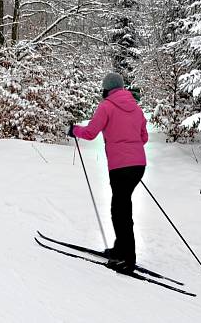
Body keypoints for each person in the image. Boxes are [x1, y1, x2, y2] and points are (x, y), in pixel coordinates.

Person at [68, 72, 148, 272]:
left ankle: (127, 259)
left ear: (107, 89)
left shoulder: (106, 106)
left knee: (120, 212)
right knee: (122, 207)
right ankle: (120, 250)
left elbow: (90, 132)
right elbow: (144, 137)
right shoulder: (136, 109)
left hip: (120, 167)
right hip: (138, 166)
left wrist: (74, 130)